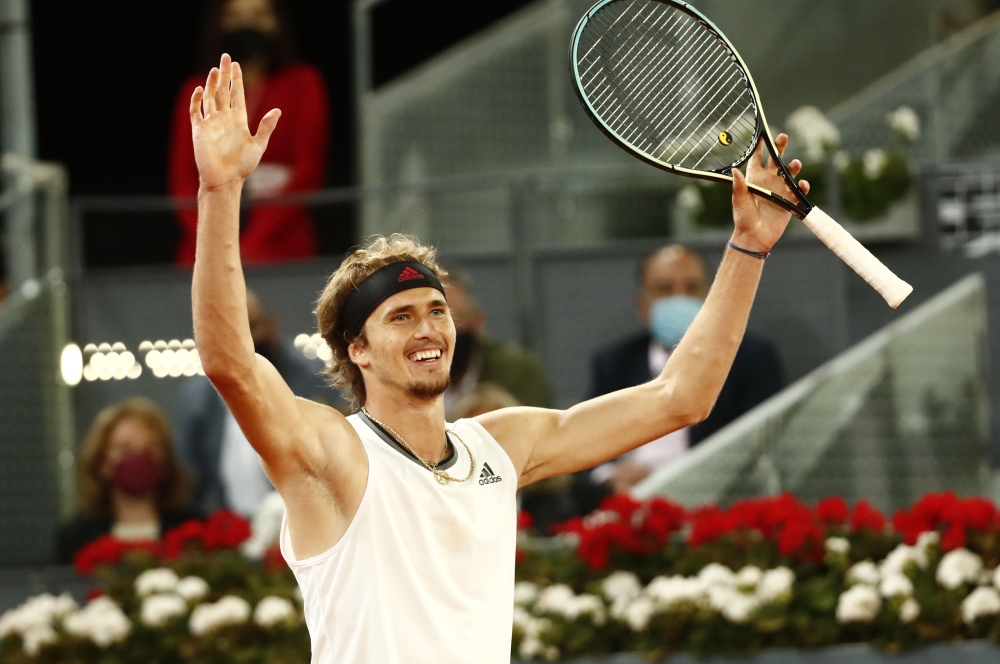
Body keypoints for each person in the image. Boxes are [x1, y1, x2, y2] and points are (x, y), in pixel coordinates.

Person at [187, 54, 808, 662]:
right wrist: (220, 191)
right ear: (358, 350)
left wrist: (747, 247)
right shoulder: (332, 453)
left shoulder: (501, 444)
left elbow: (681, 397)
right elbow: (229, 361)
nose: (428, 328)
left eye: (436, 310)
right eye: (400, 317)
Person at [584, 245, 784, 497]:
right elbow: (581, 447)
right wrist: (611, 477)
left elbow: (758, 449)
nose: (679, 299)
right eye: (664, 289)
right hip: (631, 504)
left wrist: (663, 477)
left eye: (691, 287)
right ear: (643, 306)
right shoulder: (615, 362)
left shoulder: (749, 359)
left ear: (714, 297)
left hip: (713, 502)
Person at [169, 0, 329, 266]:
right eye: (236, 16)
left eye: (259, 15)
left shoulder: (303, 84)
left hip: (283, 252)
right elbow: (183, 185)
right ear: (219, 23)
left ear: (277, 22)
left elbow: (307, 173)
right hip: (207, 254)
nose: (247, 25)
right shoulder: (196, 91)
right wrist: (217, 239)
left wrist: (251, 245)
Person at [174, 288, 344, 517]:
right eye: (229, 329)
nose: (242, 339)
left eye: (249, 326)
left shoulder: (315, 381)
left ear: (271, 325)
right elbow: (192, 477)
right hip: (226, 530)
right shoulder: (196, 398)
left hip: (305, 521)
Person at [56, 398, 200, 564]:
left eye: (150, 448)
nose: (138, 457)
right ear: (101, 462)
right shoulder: (76, 537)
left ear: (165, 461)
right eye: (124, 449)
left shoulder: (194, 530)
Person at [442, 269, 554, 418]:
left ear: (478, 319)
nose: (445, 334)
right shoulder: (405, 377)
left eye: (456, 321)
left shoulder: (518, 373)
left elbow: (541, 432)